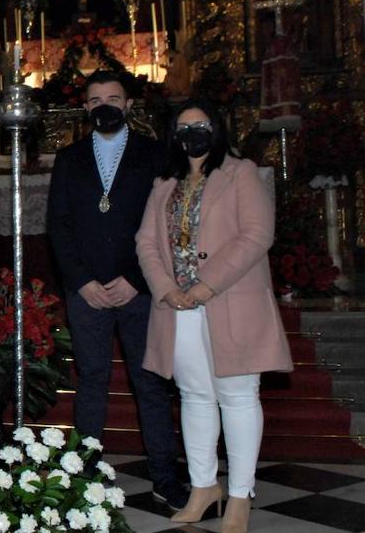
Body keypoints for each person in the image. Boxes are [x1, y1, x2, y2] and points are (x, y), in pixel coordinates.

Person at [136, 99, 292, 533]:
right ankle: (204, 487)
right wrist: (167, 289)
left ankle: (241, 495)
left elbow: (257, 234)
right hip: (178, 307)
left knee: (238, 396)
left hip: (231, 301)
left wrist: (207, 284)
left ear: (218, 129)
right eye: (184, 128)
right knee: (194, 396)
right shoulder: (165, 182)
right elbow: (146, 242)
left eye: (201, 125)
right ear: (174, 136)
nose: (193, 134)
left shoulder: (240, 173)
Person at [46, 70, 188, 510]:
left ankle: (165, 475)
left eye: (113, 97)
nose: (104, 105)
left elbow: (164, 224)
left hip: (140, 289)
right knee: (91, 379)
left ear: (128, 105)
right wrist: (83, 282)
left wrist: (136, 279)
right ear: (86, 108)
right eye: (95, 99)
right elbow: (59, 226)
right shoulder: (69, 159)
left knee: (150, 383)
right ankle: (85, 474)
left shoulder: (156, 154)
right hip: (86, 292)